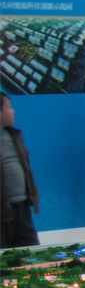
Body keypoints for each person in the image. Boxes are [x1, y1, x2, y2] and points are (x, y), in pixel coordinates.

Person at [0, 91, 40, 249]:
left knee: (31, 252)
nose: (13, 111)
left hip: (22, 208)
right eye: (9, 107)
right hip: (3, 212)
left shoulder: (14, 135)